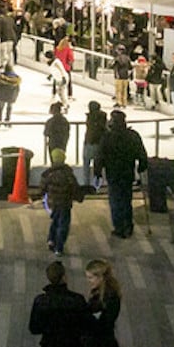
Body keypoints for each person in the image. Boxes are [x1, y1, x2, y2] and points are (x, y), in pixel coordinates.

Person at [28, 260, 88, 347]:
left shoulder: (41, 301)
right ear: (64, 277)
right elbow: (85, 325)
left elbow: (34, 328)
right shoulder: (77, 299)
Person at [94, 110, 148, 239]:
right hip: (127, 172)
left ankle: (119, 227)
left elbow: (100, 156)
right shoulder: (132, 135)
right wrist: (142, 166)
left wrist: (97, 172)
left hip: (113, 173)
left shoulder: (107, 137)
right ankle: (128, 225)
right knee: (126, 199)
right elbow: (141, 153)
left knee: (115, 200)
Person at [83, 259, 124, 347]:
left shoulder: (108, 298)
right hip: (101, 345)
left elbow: (104, 322)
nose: (88, 281)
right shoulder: (103, 293)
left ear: (100, 277)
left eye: (91, 278)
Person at [41, 149, 84, 257]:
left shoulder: (48, 173)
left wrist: (41, 195)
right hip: (65, 203)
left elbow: (42, 187)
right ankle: (59, 247)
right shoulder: (67, 174)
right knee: (63, 225)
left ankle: (51, 239)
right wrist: (79, 197)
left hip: (53, 202)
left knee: (55, 220)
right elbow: (74, 188)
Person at [82, 101, 107, 190]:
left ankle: (87, 185)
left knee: (87, 165)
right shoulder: (102, 117)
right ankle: (96, 186)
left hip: (91, 143)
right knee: (97, 167)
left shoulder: (91, 117)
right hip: (97, 144)